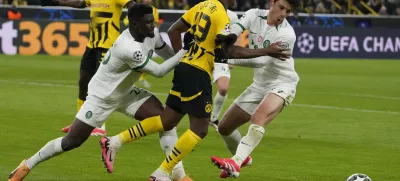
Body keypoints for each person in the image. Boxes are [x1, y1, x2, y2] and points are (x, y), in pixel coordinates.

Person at [99, 0, 291, 180]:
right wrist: (266, 50)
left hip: (184, 67)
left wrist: (181, 57)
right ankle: (162, 172)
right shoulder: (222, 16)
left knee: (167, 120)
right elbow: (227, 51)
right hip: (198, 73)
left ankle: (114, 142)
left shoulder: (202, 6)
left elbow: (174, 30)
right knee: (199, 129)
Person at [8, 4, 193, 181]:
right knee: (72, 141)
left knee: (166, 120)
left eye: (153, 21)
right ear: (135, 25)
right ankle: (26, 165)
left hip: (125, 92)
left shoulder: (152, 35)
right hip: (101, 97)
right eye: (148, 22)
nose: (153, 26)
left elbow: (171, 57)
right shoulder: (128, 47)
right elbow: (160, 71)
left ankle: (178, 174)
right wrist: (184, 51)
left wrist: (187, 59)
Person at [210, 0, 301, 178]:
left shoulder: (287, 35)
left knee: (258, 117)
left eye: (288, 12)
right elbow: (236, 29)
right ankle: (242, 158)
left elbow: (260, 61)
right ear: (272, 3)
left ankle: (235, 162)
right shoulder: (253, 14)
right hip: (259, 85)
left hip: (283, 83)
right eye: (281, 7)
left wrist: (224, 58)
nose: (283, 14)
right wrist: (228, 40)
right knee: (224, 128)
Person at [55, 0, 135, 136]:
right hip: (92, 46)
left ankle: (99, 124)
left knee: (98, 86)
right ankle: (79, 121)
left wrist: (134, 23)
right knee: (83, 81)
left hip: (108, 46)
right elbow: (80, 3)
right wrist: (59, 1)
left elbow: (131, 4)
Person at [209, 8, 239, 129]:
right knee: (191, 89)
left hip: (221, 59)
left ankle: (213, 118)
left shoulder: (232, 16)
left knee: (223, 89)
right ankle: (172, 118)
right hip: (204, 55)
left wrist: (231, 58)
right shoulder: (209, 9)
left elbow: (236, 36)